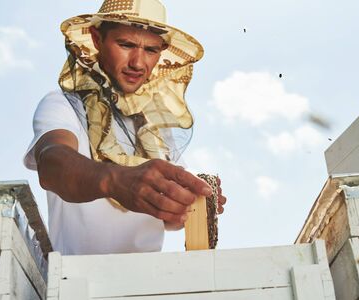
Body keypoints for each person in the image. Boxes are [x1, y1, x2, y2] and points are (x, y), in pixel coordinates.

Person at [24, 0, 226, 255]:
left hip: (147, 284)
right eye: (126, 44)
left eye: (151, 50)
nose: (138, 63)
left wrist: (193, 202)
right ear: (97, 39)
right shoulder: (63, 103)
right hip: (74, 282)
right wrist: (116, 180)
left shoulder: (154, 127)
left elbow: (169, 220)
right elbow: (52, 164)